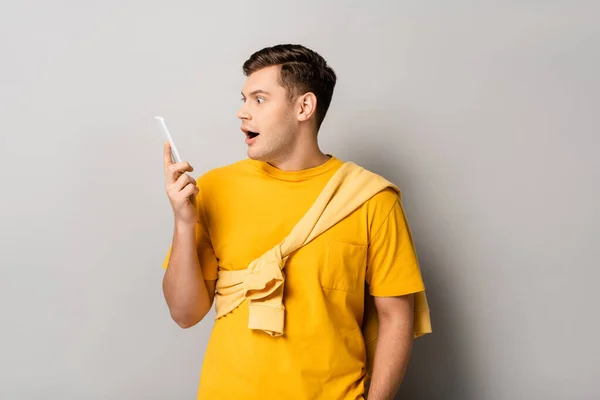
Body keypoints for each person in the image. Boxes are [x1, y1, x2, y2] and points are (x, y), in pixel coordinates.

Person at [161, 44, 431, 400]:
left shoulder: (371, 199)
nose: (242, 112)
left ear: (304, 107)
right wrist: (183, 222)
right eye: (243, 99)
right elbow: (185, 313)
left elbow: (397, 317)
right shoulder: (214, 189)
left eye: (259, 99)